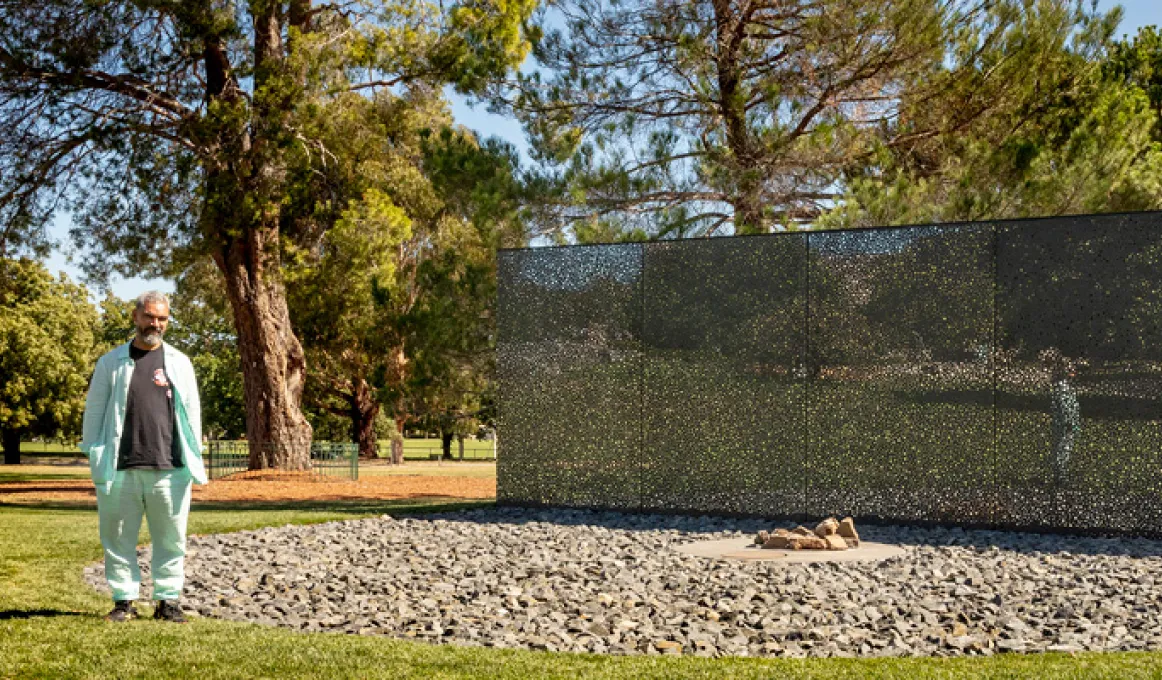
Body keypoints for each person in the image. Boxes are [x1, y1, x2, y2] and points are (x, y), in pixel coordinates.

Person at [81, 291, 207, 622]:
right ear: (136, 317)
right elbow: (94, 409)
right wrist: (94, 448)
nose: (156, 324)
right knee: (117, 537)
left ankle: (168, 602)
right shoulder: (110, 362)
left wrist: (194, 455)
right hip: (120, 467)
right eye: (150, 316)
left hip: (171, 468)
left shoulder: (180, 362)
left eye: (162, 318)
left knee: (171, 539)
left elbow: (192, 411)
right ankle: (124, 601)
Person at [1039, 348, 1081, 487]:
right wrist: (1069, 421)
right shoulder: (1062, 387)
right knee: (1062, 447)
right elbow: (1064, 406)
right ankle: (1059, 476)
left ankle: (1059, 474)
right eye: (1070, 370)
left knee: (1062, 446)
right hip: (1065, 422)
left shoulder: (1063, 387)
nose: (1073, 372)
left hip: (1066, 421)